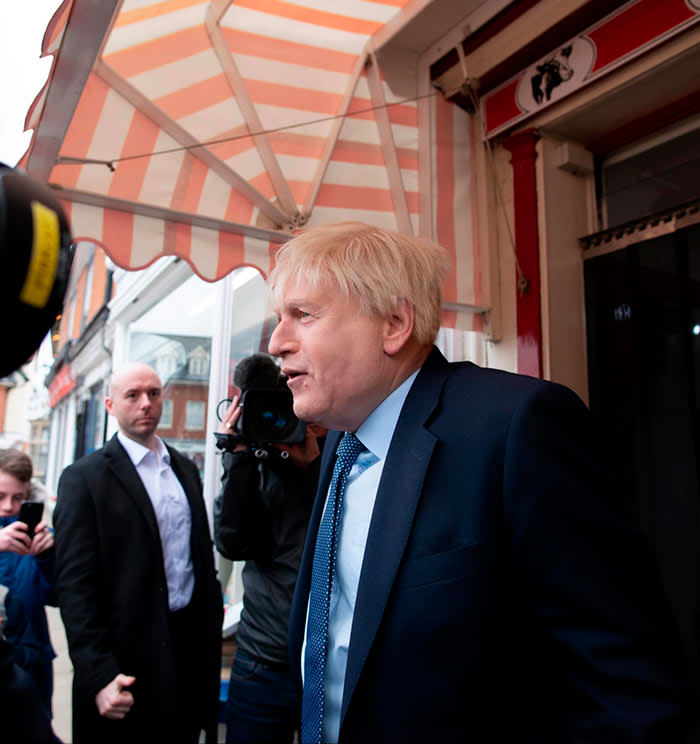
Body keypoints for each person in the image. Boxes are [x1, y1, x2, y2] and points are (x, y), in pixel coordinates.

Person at [266, 222, 689, 743]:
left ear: (394, 324)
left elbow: (626, 682)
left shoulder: (518, 425)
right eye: (279, 319)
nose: (276, 343)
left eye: (302, 315)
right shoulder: (340, 440)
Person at [54, 362, 223, 744]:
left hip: (185, 653)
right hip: (124, 660)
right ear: (111, 405)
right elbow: (74, 586)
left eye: (153, 393)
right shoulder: (84, 479)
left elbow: (198, 559)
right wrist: (97, 673)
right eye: (133, 395)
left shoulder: (183, 469)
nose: (145, 403)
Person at [214, 353, 325, 744]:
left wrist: (309, 470)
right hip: (262, 661)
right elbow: (233, 543)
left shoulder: (342, 451)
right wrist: (241, 459)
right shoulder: (253, 463)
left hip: (328, 664)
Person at [0, 448, 57, 714]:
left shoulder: (40, 535)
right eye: (0, 497)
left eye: (17, 498)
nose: (8, 507)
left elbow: (59, 596)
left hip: (30, 660)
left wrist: (49, 556)